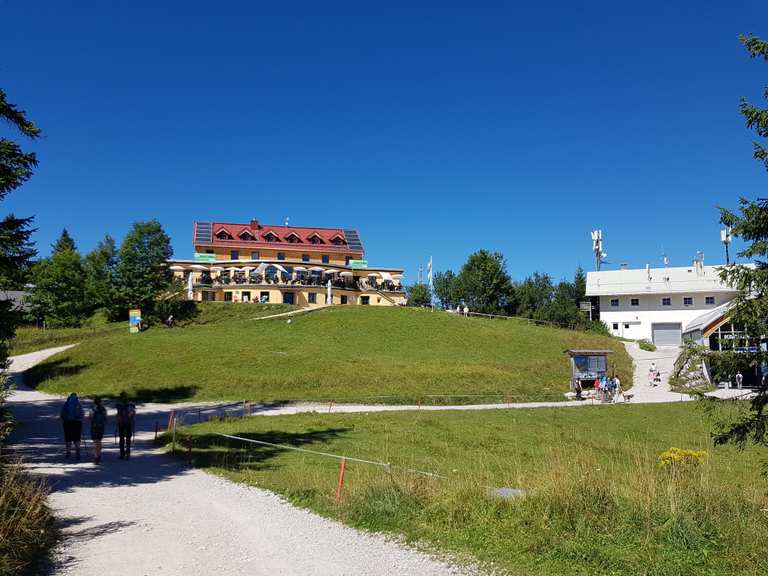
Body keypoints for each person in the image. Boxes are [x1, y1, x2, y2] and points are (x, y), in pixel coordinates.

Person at [60, 393, 84, 459]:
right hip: (77, 423)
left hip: (67, 423)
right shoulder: (78, 404)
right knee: (77, 438)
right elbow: (82, 414)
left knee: (68, 438)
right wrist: (79, 419)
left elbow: (62, 414)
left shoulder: (66, 404)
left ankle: (68, 452)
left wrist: (64, 419)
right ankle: (78, 452)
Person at [115, 392, 136, 460]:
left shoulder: (118, 404)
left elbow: (118, 414)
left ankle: (122, 453)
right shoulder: (131, 404)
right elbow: (133, 413)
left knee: (121, 438)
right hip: (128, 423)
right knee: (128, 438)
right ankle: (128, 453)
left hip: (121, 423)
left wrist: (118, 419)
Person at [90, 396, 107, 464]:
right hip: (101, 427)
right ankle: (99, 455)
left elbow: (90, 417)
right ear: (100, 402)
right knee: (99, 441)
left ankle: (96, 456)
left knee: (95, 442)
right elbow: (105, 418)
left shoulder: (93, 409)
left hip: (94, 427)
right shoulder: (103, 409)